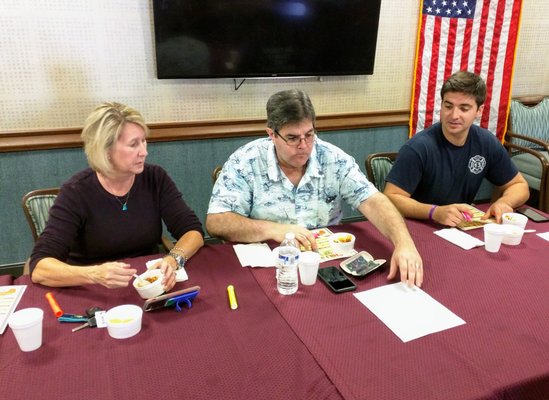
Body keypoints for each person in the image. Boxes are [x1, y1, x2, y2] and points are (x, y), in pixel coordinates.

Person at [206, 89, 423, 287]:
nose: (304, 146)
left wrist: (403, 243)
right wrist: (274, 230)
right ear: (271, 134)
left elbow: (374, 201)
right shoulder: (246, 161)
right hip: (268, 268)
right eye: (292, 138)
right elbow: (216, 222)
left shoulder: (332, 158)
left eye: (309, 135)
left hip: (326, 267)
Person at [29, 102, 204, 290]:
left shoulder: (155, 178)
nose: (144, 152)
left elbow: (193, 231)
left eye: (144, 141)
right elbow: (40, 267)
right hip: (91, 287)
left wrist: (173, 258)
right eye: (133, 144)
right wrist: (94, 274)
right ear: (106, 151)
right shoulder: (76, 192)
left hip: (146, 283)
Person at [384, 71, 529, 226]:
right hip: (419, 226)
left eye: (464, 108)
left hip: (460, 227)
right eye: (448, 106)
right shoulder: (418, 147)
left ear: (479, 111)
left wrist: (504, 202)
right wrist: (434, 212)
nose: (454, 115)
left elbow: (519, 186)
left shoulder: (486, 142)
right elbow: (391, 197)